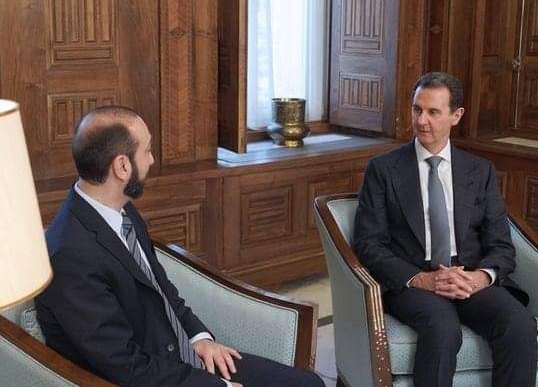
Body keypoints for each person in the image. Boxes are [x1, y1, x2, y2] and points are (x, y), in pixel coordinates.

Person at [35, 106, 324, 387]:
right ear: (122, 166)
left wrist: (200, 339)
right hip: (150, 376)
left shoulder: (121, 211)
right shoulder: (70, 254)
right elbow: (124, 366)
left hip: (177, 358)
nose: (151, 160)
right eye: (147, 150)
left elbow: (162, 290)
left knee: (308, 384)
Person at [353, 72, 538, 387]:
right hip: (414, 280)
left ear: (456, 115)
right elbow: (368, 243)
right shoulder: (383, 169)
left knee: (518, 324)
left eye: (433, 112)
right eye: (417, 109)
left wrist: (480, 278)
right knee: (442, 328)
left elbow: (501, 245)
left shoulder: (479, 170)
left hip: (467, 277)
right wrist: (421, 279)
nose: (421, 120)